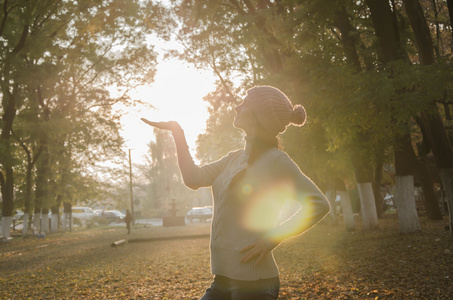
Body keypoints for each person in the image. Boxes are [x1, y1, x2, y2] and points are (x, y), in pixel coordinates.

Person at [142, 85, 330, 300]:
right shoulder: (233, 158)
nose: (236, 107)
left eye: (245, 103)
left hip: (255, 285)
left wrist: (272, 238)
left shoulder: (277, 161)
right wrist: (178, 133)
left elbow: (319, 204)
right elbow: (193, 178)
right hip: (222, 280)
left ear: (260, 116)